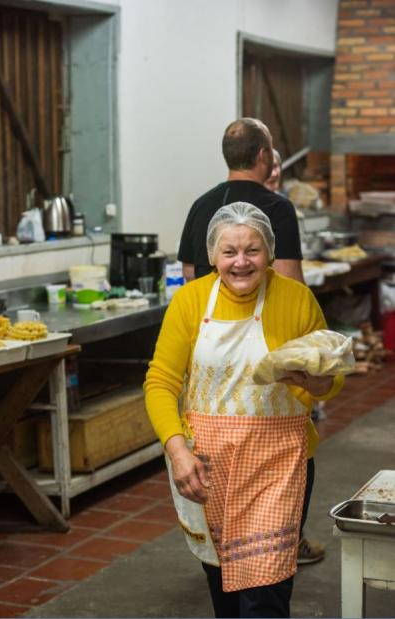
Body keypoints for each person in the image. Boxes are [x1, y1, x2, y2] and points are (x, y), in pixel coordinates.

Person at [145, 202, 344, 618]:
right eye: (229, 251)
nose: (240, 262)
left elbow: (330, 376)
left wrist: (318, 382)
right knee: (223, 585)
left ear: (270, 253)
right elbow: (161, 381)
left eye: (252, 250)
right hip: (206, 465)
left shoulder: (296, 299)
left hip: (281, 462)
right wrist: (177, 451)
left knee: (265, 591)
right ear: (213, 255)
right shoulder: (190, 301)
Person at [263, 149, 326, 566]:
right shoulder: (278, 209)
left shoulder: (202, 204)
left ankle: (286, 538)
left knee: (295, 450)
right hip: (272, 349)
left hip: (285, 371)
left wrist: (320, 380)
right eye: (270, 168)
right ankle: (283, 541)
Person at [177, 118, 304, 284]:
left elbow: (189, 273)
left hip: (208, 309)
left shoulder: (200, 205)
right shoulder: (279, 208)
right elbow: (290, 282)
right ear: (264, 155)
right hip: (261, 310)